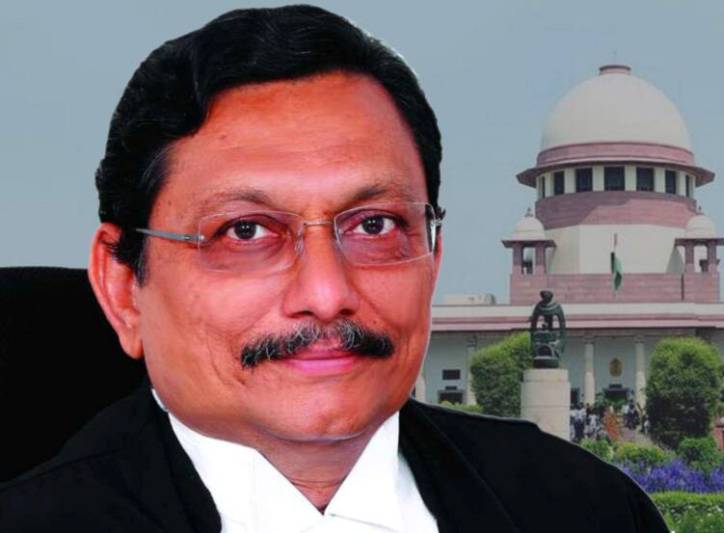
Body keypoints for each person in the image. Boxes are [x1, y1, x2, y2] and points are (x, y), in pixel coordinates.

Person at [0, 6, 668, 532]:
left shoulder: (586, 509)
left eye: (374, 226)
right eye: (246, 231)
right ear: (123, 288)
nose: (325, 293)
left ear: (432, 256)